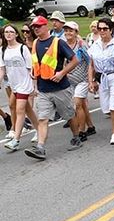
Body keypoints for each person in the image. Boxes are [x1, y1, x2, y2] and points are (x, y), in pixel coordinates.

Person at [24, 15, 82, 161]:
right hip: (43, 90)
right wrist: (33, 72)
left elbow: (75, 60)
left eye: (38, 26)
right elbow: (38, 63)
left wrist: (62, 73)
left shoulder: (58, 42)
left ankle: (76, 136)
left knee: (69, 116)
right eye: (34, 27)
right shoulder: (36, 43)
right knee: (42, 119)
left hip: (61, 88)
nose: (35, 29)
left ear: (45, 27)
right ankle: (40, 148)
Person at [0, 25, 38, 151]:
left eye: (11, 32)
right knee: (28, 110)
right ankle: (40, 129)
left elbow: (30, 69)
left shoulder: (23, 48)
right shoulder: (3, 50)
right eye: (6, 32)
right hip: (14, 85)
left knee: (19, 109)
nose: (8, 34)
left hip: (24, 84)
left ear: (16, 34)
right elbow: (2, 70)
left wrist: (33, 86)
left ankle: (16, 139)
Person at [88, 18, 114, 144]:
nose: (102, 31)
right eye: (100, 29)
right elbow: (91, 65)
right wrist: (91, 81)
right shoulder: (95, 45)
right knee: (106, 108)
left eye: (105, 29)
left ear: (111, 30)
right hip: (101, 78)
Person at [63, 21, 95, 142]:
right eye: (66, 30)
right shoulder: (63, 45)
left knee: (77, 104)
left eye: (71, 30)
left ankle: (82, 131)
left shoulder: (81, 45)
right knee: (81, 105)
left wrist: (91, 79)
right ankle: (91, 126)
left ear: (76, 32)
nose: (68, 33)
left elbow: (90, 62)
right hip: (69, 80)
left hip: (82, 80)